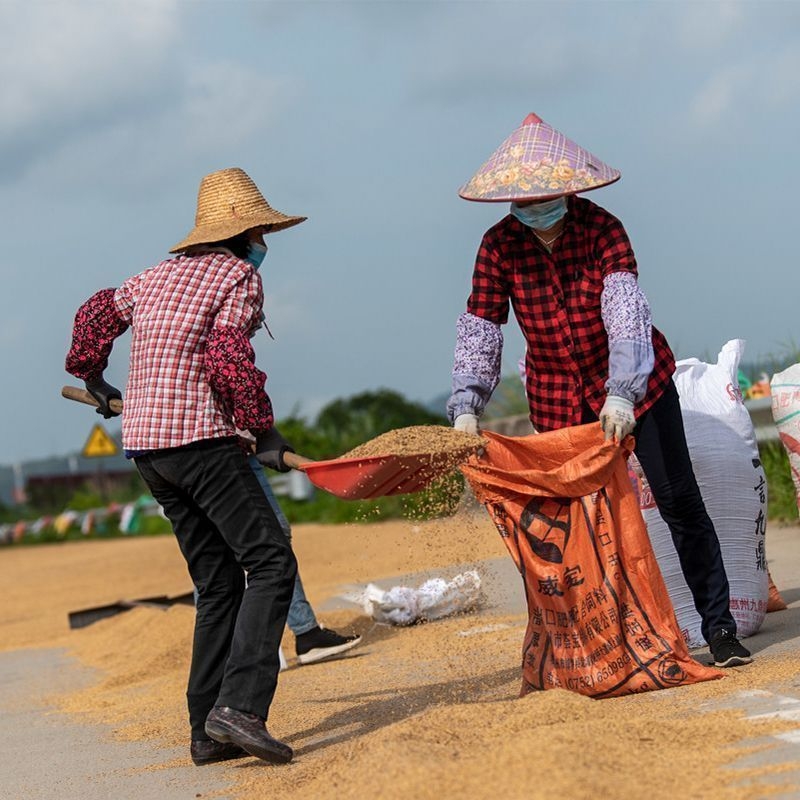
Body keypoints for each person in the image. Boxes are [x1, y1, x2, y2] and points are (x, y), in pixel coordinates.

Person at [446, 113, 752, 670]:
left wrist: (623, 392)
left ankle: (719, 626)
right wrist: (468, 402)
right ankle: (605, 640)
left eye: (546, 195)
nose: (536, 206)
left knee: (679, 500)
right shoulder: (498, 247)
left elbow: (625, 311)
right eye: (524, 198)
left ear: (569, 188)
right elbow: (481, 324)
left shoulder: (604, 230)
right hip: (558, 399)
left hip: (639, 386)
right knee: (581, 523)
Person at [66, 167, 310, 768]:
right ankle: (241, 709)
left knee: (219, 583)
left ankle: (205, 733)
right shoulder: (236, 277)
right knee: (271, 561)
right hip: (202, 443)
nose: (265, 247)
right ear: (246, 233)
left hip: (150, 450)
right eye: (263, 234)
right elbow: (227, 357)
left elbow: (95, 314)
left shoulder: (155, 275)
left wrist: (91, 374)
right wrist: (263, 430)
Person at [244, 452, 362, 666]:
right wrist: (286, 455)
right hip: (225, 456)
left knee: (215, 553)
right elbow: (251, 424)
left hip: (187, 457)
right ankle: (305, 633)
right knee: (273, 540)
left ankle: (222, 653)